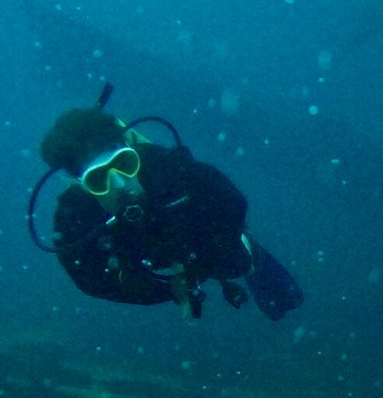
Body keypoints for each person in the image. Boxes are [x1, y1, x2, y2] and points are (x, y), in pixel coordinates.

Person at [27, 84, 303, 321]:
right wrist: (167, 290)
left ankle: (253, 258)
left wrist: (203, 261)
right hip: (144, 254)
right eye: (100, 180)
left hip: (198, 239)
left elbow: (230, 201)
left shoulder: (163, 166)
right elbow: (88, 279)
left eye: (124, 165)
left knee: (237, 262)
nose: (120, 184)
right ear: (83, 185)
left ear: (133, 153)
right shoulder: (74, 214)